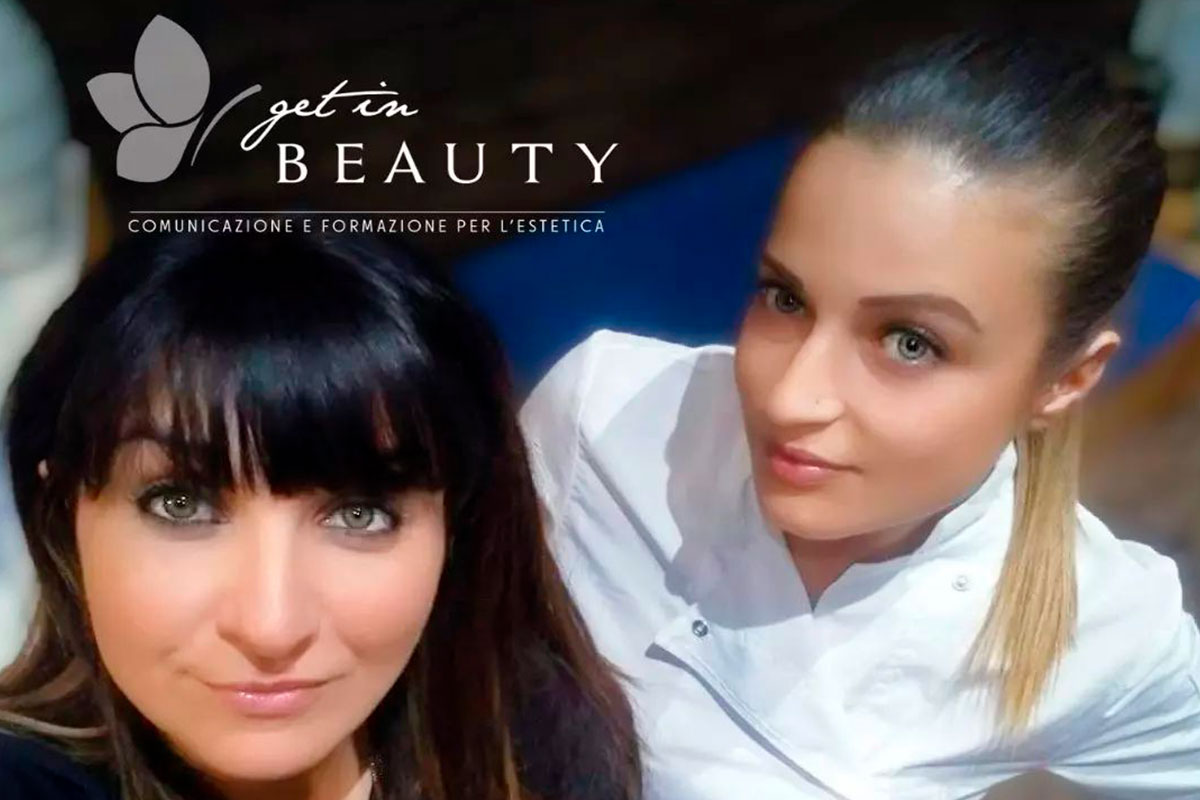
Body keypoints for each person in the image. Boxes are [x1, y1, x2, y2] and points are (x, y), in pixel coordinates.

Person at [520, 30, 1200, 799]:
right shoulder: (603, 413)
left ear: (1067, 379)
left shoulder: (1105, 631)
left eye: (910, 343)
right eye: (786, 298)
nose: (791, 398)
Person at [0, 232, 642, 800]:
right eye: (181, 504)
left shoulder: (536, 744)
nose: (271, 627)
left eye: (360, 515)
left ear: (459, 527)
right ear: (62, 518)